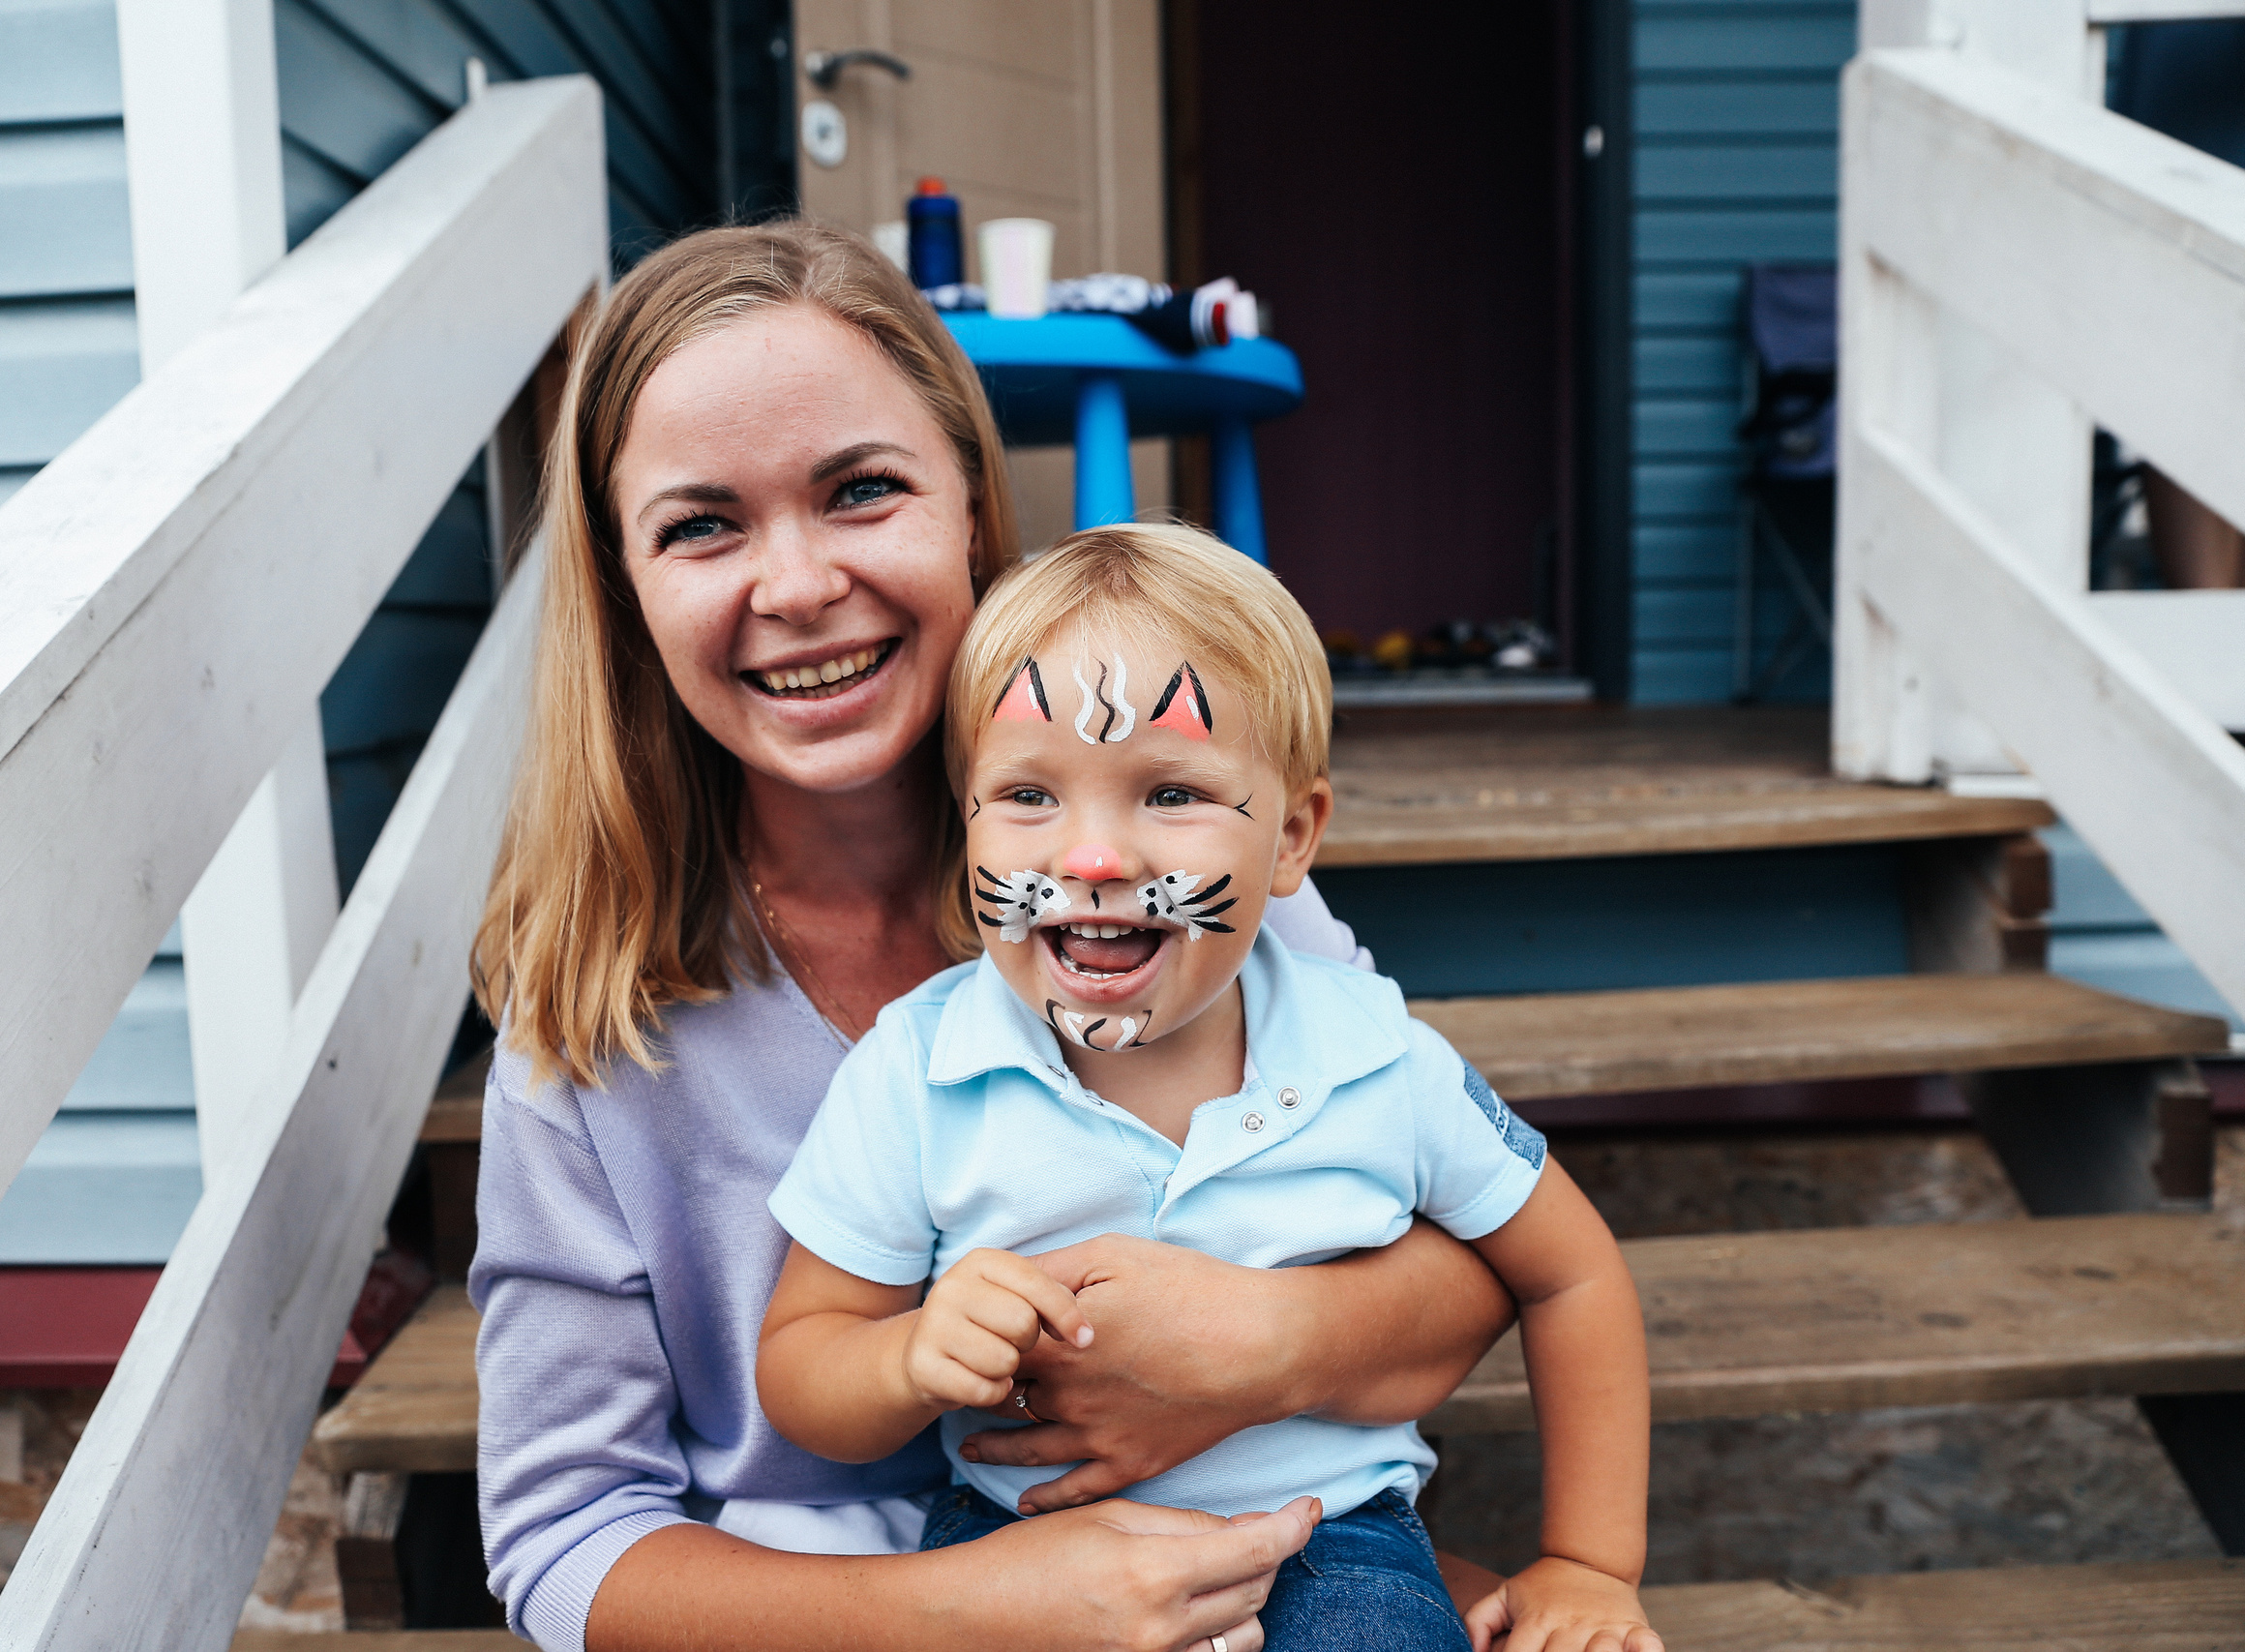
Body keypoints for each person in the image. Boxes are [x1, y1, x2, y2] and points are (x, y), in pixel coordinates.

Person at [467, 220, 1519, 1652]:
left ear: (970, 501)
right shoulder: (594, 1032)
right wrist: (973, 1606)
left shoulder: (1172, 885)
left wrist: (1270, 1347)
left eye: (862, 490)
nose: (793, 585)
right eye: (702, 523)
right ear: (625, 586)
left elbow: (1479, 1255)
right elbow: (565, 1542)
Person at [756, 525, 1660, 1652]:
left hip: (1328, 1545)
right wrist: (903, 1357)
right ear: (966, 827)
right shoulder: (917, 1072)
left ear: (1290, 838)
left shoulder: (1378, 1058)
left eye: (1170, 792)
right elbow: (802, 1361)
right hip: (1017, 1551)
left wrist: (1586, 1560)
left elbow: (1571, 1274)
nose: (1093, 858)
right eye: (1028, 796)